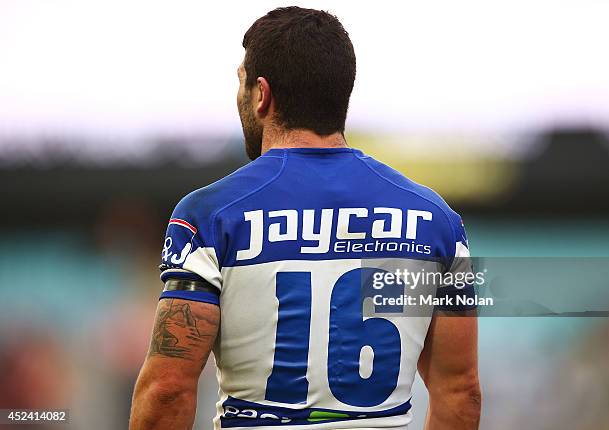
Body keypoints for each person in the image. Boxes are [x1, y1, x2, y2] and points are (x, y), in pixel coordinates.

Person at [130, 6, 480, 430]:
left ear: (262, 94)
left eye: (241, 83)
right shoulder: (436, 221)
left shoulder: (209, 215)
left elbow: (168, 389)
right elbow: (460, 392)